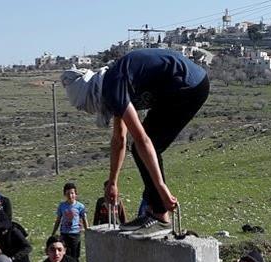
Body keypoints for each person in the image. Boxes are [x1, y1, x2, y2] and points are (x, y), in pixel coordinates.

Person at [62, 49, 210, 234]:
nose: (89, 111)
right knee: (143, 148)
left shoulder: (112, 86)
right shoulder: (110, 84)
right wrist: (113, 182)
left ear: (90, 95)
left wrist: (162, 189)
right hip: (177, 88)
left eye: (85, 106)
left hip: (189, 87)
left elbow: (143, 140)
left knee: (146, 147)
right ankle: (154, 210)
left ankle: (159, 215)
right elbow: (119, 139)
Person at [54, 182, 87, 259]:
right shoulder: (62, 206)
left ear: (76, 194)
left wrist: (87, 231)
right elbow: (58, 220)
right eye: (68, 193)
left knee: (75, 255)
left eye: (72, 193)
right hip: (64, 234)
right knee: (65, 255)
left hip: (75, 234)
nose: (70, 195)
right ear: (64, 194)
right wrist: (54, 232)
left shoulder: (80, 206)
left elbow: (84, 219)